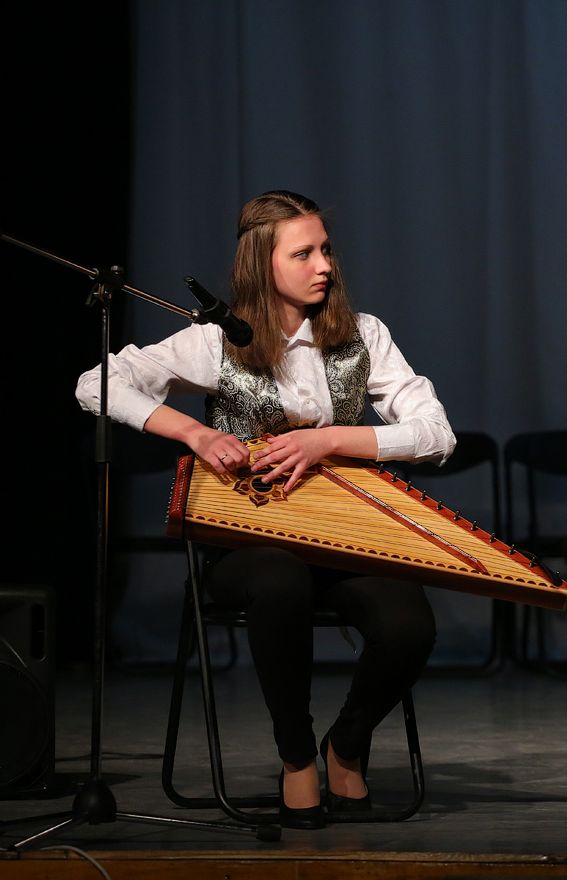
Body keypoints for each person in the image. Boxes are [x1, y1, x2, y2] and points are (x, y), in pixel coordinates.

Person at [76, 190, 455, 830]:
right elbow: (96, 383)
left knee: (408, 625)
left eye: (325, 250)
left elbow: (436, 434)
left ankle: (346, 744)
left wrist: (330, 441)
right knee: (279, 581)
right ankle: (297, 756)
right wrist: (195, 434)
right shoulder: (215, 342)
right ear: (262, 262)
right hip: (248, 545)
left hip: (340, 536)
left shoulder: (363, 336)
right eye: (303, 253)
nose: (324, 265)